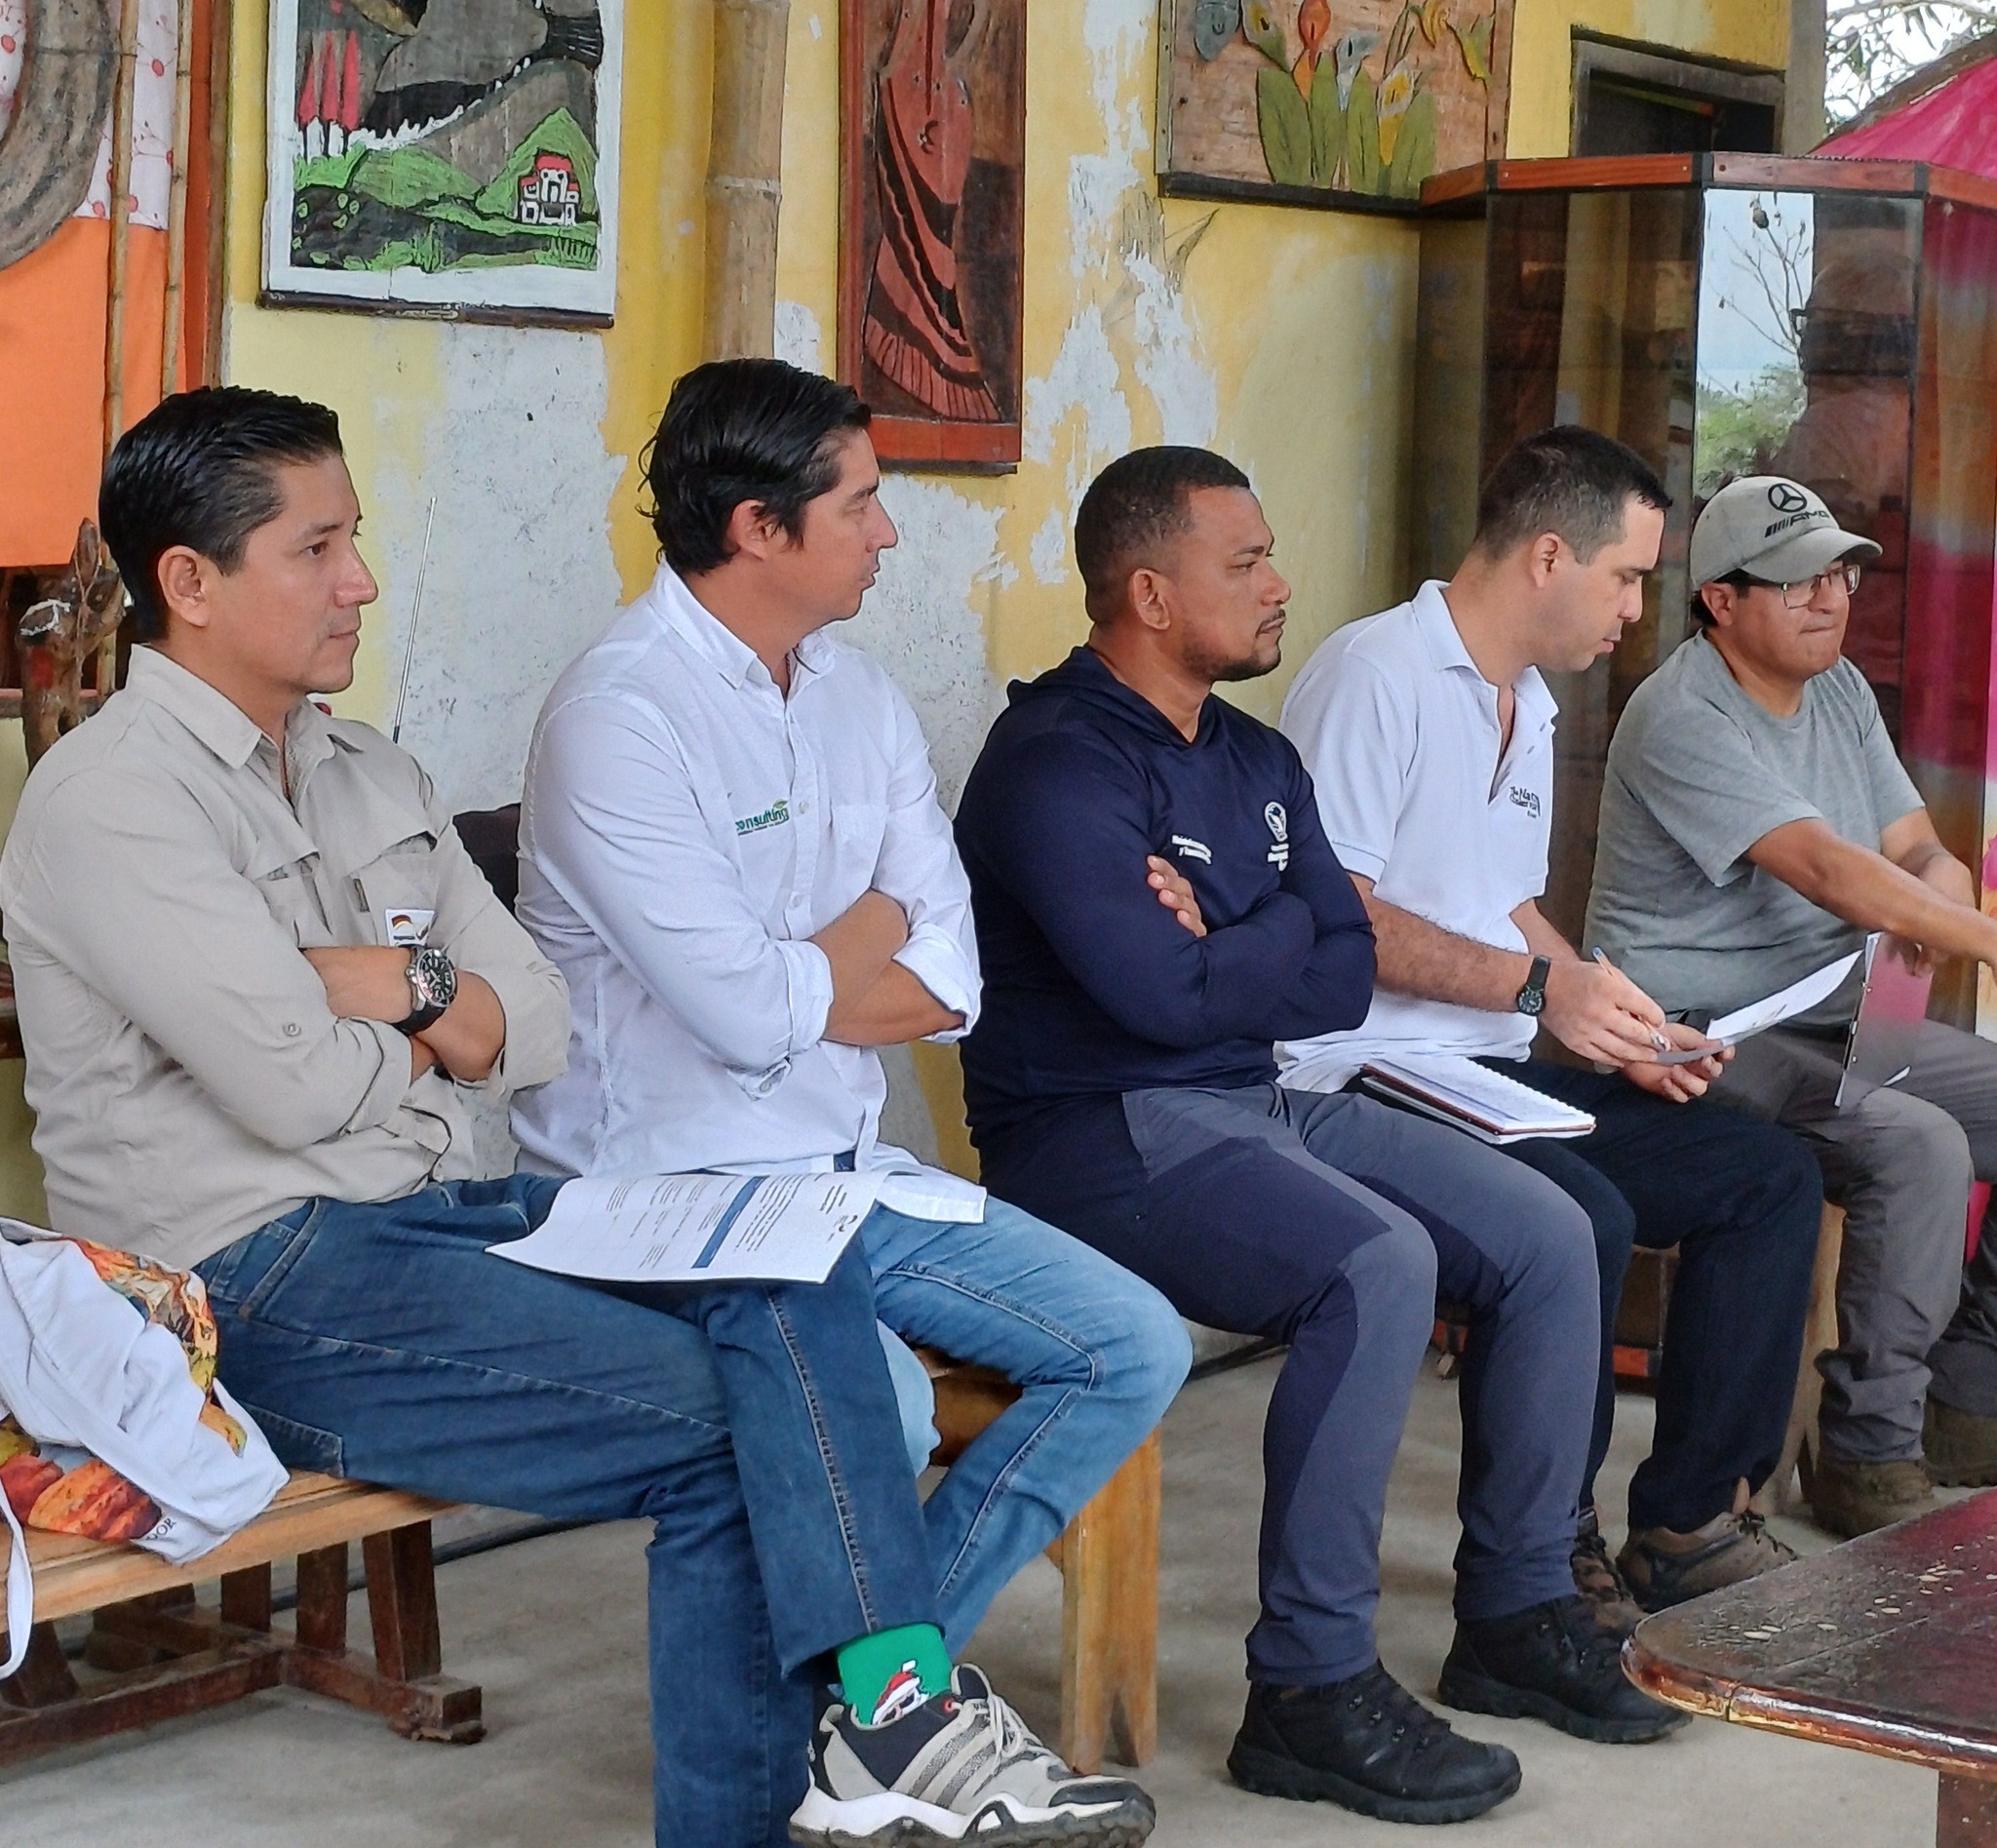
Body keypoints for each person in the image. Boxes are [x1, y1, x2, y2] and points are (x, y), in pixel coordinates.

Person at [0, 386, 1151, 1848]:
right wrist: (443, 1019)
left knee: (783, 1252)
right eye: (318, 549)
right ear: (191, 581)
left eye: (355, 539)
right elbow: (292, 1084)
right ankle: (873, 1727)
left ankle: (890, 1715)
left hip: (444, 1215)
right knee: (733, 1430)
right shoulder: (112, 799)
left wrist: (391, 986)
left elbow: (529, 1023)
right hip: (251, 1275)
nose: (361, 581)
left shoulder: (369, 770)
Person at [955, 445, 1681, 1832]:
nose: (1279, 584)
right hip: (1095, 1131)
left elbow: (1339, 972)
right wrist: (1278, 927)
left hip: (1253, 1100)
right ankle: (1308, 1686)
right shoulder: (1054, 759)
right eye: (1245, 563)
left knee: (1546, 1230)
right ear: (1150, 593)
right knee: (1375, 1263)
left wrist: (1240, 930)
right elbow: (1157, 999)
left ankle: (1516, 1609)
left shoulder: (1254, 756)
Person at [511, 361, 1189, 1843]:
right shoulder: (618, 715)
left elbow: (953, 976)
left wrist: (810, 966)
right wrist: (866, 932)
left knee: (1131, 1344)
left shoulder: (855, 692)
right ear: (757, 527)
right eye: (862, 503)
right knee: (873, 1396)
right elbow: (747, 1014)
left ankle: (877, 1712)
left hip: (839, 1168)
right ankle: (861, 1735)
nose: (888, 533)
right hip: (667, 1197)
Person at [1278, 428, 1824, 1611]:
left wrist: (1613, 1016)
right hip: (1359, 1074)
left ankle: (1685, 1521)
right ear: (1544, 556)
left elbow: (1505, 906)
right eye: (1625, 577)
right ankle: (1548, 1541)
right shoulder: (1372, 673)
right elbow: (1333, 916)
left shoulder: (1525, 699)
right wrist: (1540, 993)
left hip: (1483, 1070)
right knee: (1581, 1211)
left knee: (1764, 1174)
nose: (1635, 609)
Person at [1587, 472, 1997, 1532]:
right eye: (1794, 581)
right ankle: (1867, 1448)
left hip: (1832, 1016)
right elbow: (1824, 866)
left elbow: (1911, 847)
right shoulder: (1679, 711)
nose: (1827, 598)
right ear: (1718, 600)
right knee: (1917, 1146)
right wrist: (1976, 936)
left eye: (1839, 575)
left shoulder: (1840, 691)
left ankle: (1969, 1391)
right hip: (1700, 1031)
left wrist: (1940, 893)